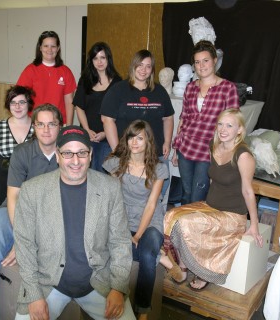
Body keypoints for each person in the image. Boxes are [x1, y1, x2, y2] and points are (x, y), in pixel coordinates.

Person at [13, 126, 136, 320]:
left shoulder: (110, 188)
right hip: (49, 284)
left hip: (98, 283)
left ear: (90, 154)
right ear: (58, 156)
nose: (76, 161)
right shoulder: (32, 191)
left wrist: (118, 288)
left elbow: (120, 241)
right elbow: (24, 245)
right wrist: (35, 295)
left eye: (82, 153)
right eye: (68, 153)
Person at [0, 104, 63, 320]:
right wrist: (21, 239)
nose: (46, 130)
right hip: (12, 212)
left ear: (61, 126)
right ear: (34, 126)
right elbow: (13, 198)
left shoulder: (69, 153)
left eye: (52, 124)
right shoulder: (22, 152)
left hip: (49, 220)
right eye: (40, 124)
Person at [161, 108, 263, 291]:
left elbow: (248, 191)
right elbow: (212, 179)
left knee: (185, 222)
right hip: (211, 206)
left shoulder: (244, 155)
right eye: (220, 124)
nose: (223, 129)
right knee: (171, 215)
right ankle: (184, 266)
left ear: (239, 130)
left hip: (232, 215)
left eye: (229, 125)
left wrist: (253, 224)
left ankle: (202, 271)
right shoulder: (214, 145)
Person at [103, 120, 168, 320]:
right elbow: (112, 199)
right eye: (132, 137)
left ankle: (143, 312)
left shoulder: (158, 168)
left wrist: (138, 235)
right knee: (124, 251)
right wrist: (120, 230)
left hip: (150, 220)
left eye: (140, 138)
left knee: (146, 254)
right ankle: (163, 257)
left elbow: (151, 205)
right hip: (123, 217)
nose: (135, 142)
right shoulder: (116, 163)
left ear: (148, 141)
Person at [172, 40, 239, 205]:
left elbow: (233, 123)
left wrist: (225, 154)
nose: (201, 66)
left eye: (206, 60)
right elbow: (184, 118)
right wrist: (176, 150)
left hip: (209, 151)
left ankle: (196, 229)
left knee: (198, 196)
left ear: (215, 60)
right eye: (197, 62)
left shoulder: (227, 88)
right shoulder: (190, 88)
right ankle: (183, 229)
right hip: (186, 148)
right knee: (186, 193)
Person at [101, 49, 174, 199]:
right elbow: (107, 120)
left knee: (157, 194)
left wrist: (167, 141)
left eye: (148, 66)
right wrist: (117, 149)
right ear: (133, 66)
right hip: (128, 154)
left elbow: (168, 118)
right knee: (125, 197)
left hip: (156, 153)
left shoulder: (159, 91)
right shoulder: (118, 90)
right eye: (140, 65)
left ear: (152, 69)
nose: (143, 70)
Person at [0, 85, 35, 223]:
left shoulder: (38, 127)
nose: (17, 106)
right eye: (13, 102)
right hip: (2, 180)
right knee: (1, 219)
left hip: (30, 179)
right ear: (8, 105)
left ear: (28, 104)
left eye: (21, 102)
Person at [74, 42, 122, 172]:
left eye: (103, 57)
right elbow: (79, 107)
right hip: (86, 137)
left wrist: (105, 133)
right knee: (85, 174)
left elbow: (120, 113)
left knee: (104, 177)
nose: (99, 61)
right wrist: (87, 130)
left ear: (108, 59)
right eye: (95, 58)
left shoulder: (118, 83)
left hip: (108, 138)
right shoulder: (85, 80)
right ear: (91, 61)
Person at [17, 30, 77, 125]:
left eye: (53, 46)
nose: (49, 50)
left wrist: (69, 126)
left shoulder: (66, 72)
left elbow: (69, 101)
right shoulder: (30, 70)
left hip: (58, 123)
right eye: (46, 46)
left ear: (58, 48)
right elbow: (19, 98)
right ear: (40, 48)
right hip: (35, 123)